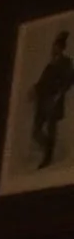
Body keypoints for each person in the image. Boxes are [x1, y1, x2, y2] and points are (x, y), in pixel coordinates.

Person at [31, 29, 74, 170]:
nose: (53, 49)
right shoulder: (50, 65)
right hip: (43, 100)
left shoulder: (66, 62)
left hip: (54, 100)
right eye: (53, 46)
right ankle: (49, 148)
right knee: (36, 131)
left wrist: (58, 94)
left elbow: (69, 80)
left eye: (56, 46)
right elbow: (43, 81)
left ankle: (48, 157)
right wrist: (35, 89)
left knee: (51, 128)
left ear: (61, 48)